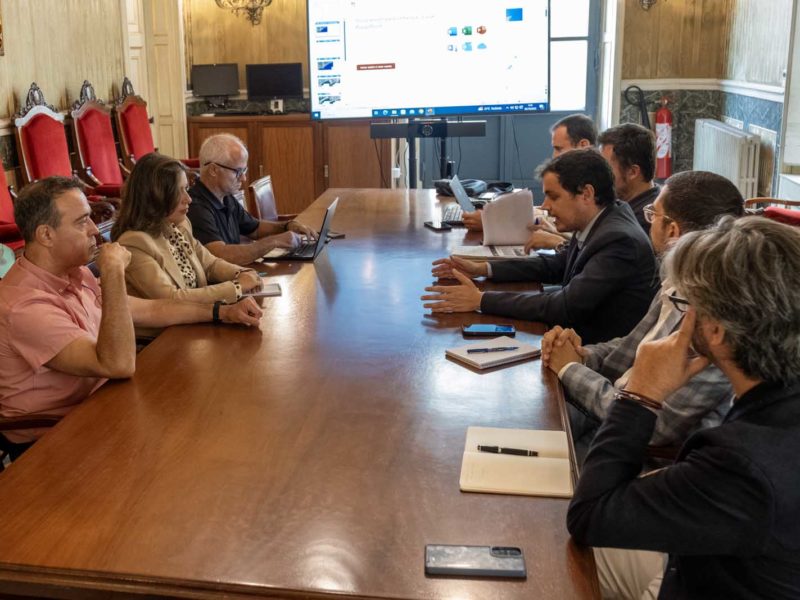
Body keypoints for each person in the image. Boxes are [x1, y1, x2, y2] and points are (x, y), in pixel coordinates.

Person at [567, 216, 800, 599]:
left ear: (716, 329)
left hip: (708, 580)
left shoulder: (742, 463)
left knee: (553, 554)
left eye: (686, 303)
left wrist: (641, 392)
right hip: (729, 557)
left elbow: (589, 516)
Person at [0, 177, 263, 456]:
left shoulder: (74, 273)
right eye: (82, 222)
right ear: (46, 235)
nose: (94, 230)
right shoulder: (23, 306)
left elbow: (150, 309)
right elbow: (116, 364)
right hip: (51, 442)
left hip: (102, 407)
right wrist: (112, 272)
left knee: (203, 421)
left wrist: (222, 312)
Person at [542, 171, 745, 448]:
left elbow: (652, 427)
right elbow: (631, 346)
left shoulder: (717, 323)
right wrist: (583, 355)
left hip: (627, 451)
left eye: (653, 215)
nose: (647, 222)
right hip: (605, 411)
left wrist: (569, 368)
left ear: (672, 230)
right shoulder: (676, 281)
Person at [422, 149, 657, 344]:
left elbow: (565, 306)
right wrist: (484, 268)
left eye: (553, 197)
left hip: (594, 356)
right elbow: (557, 264)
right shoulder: (602, 216)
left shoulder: (619, 241)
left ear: (586, 194)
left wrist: (480, 300)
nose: (545, 207)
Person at [112, 153, 262, 305]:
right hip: (169, 328)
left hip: (197, 320)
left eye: (186, 189)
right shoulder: (134, 243)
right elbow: (170, 299)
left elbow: (210, 264)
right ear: (156, 196)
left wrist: (241, 273)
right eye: (179, 191)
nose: (188, 198)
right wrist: (236, 287)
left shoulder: (180, 226)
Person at [461, 113, 597, 243]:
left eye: (559, 148)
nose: (555, 156)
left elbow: (573, 237)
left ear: (583, 145)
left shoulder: (593, 183)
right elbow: (546, 217)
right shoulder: (576, 176)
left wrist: (492, 223)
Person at [187, 133, 317, 265]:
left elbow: (255, 228)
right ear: (214, 170)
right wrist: (274, 241)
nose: (243, 178)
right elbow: (220, 256)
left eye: (244, 171)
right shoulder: (195, 206)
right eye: (238, 171)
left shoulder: (225, 196)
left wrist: (288, 226)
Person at [598, 123, 659, 233]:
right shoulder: (622, 205)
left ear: (633, 172)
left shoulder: (644, 222)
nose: (598, 176)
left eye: (605, 169)